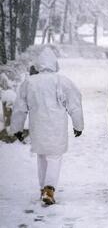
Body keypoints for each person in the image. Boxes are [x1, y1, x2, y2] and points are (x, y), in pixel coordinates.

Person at [10, 48, 84, 205]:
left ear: (38, 64)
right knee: (54, 157)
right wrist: (78, 125)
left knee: (42, 157)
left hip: (38, 126)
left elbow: (19, 107)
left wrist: (17, 128)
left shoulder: (30, 82)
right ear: (54, 64)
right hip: (56, 127)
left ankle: (43, 189)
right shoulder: (62, 81)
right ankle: (49, 189)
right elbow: (75, 104)